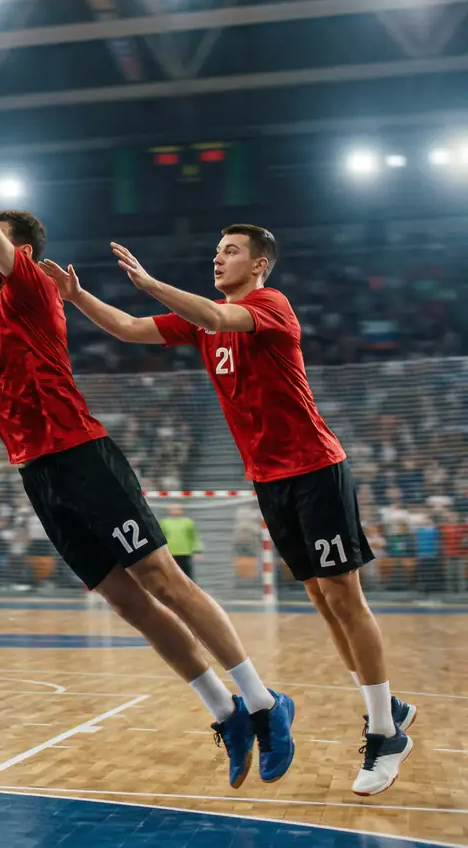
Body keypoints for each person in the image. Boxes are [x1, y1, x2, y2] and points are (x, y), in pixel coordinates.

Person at [0, 104, 294, 789]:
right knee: (128, 602)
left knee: (164, 580)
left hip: (80, 452)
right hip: (37, 472)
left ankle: (263, 699)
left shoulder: (28, 288)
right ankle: (224, 710)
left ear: (19, 253)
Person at [39, 224, 414, 795]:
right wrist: (78, 297)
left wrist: (150, 282)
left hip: (315, 469)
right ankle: (387, 704)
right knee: (320, 597)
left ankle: (385, 731)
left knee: (343, 596)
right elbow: (130, 328)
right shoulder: (206, 318)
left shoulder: (270, 305)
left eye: (231, 251)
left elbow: (216, 318)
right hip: (269, 479)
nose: (218, 259)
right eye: (215, 251)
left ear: (259, 264)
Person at [160, 505, 201, 581]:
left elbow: (194, 537)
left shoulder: (188, 522)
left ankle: (190, 591)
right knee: (170, 575)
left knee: (187, 576)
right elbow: (161, 537)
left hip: (185, 553)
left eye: (177, 509)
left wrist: (197, 551)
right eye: (173, 509)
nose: (175, 511)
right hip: (170, 553)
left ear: (181, 510)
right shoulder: (164, 522)